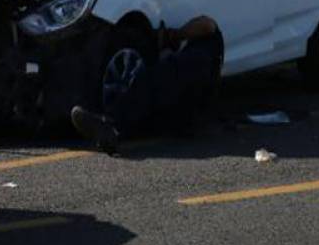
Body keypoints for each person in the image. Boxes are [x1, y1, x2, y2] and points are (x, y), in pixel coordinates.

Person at [71, 16, 223, 153]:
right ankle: (113, 132)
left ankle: (112, 124)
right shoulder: (195, 55)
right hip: (188, 112)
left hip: (195, 83)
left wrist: (174, 35)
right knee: (151, 110)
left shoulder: (209, 44)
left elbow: (207, 25)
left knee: (150, 81)